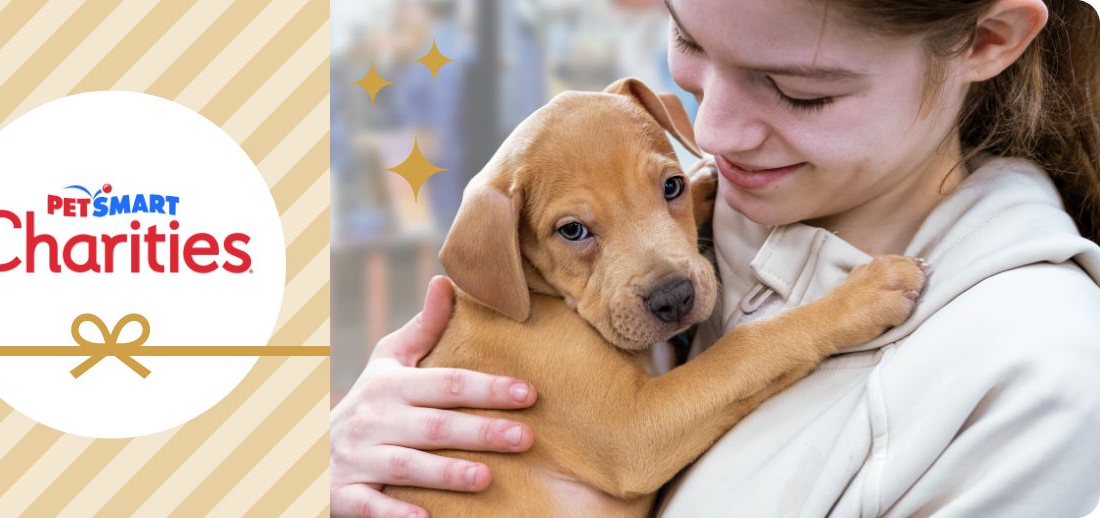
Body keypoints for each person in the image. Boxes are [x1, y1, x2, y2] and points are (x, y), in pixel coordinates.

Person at [330, 0, 1100, 516]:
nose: (716, 131)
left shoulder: (1034, 373)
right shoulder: (668, 235)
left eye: (800, 90)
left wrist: (823, 321)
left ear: (989, 40)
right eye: (689, 42)